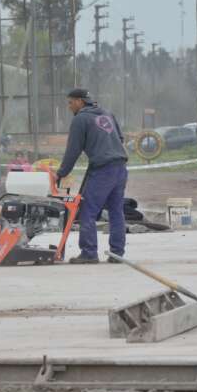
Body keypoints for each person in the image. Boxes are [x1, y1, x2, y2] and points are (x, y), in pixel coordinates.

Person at [56, 88, 129, 264]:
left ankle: (89, 253)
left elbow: (73, 151)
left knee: (88, 210)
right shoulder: (107, 113)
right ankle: (117, 253)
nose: (69, 106)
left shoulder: (80, 119)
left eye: (70, 102)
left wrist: (60, 174)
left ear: (80, 101)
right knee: (116, 211)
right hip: (120, 168)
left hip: (103, 170)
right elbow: (120, 138)